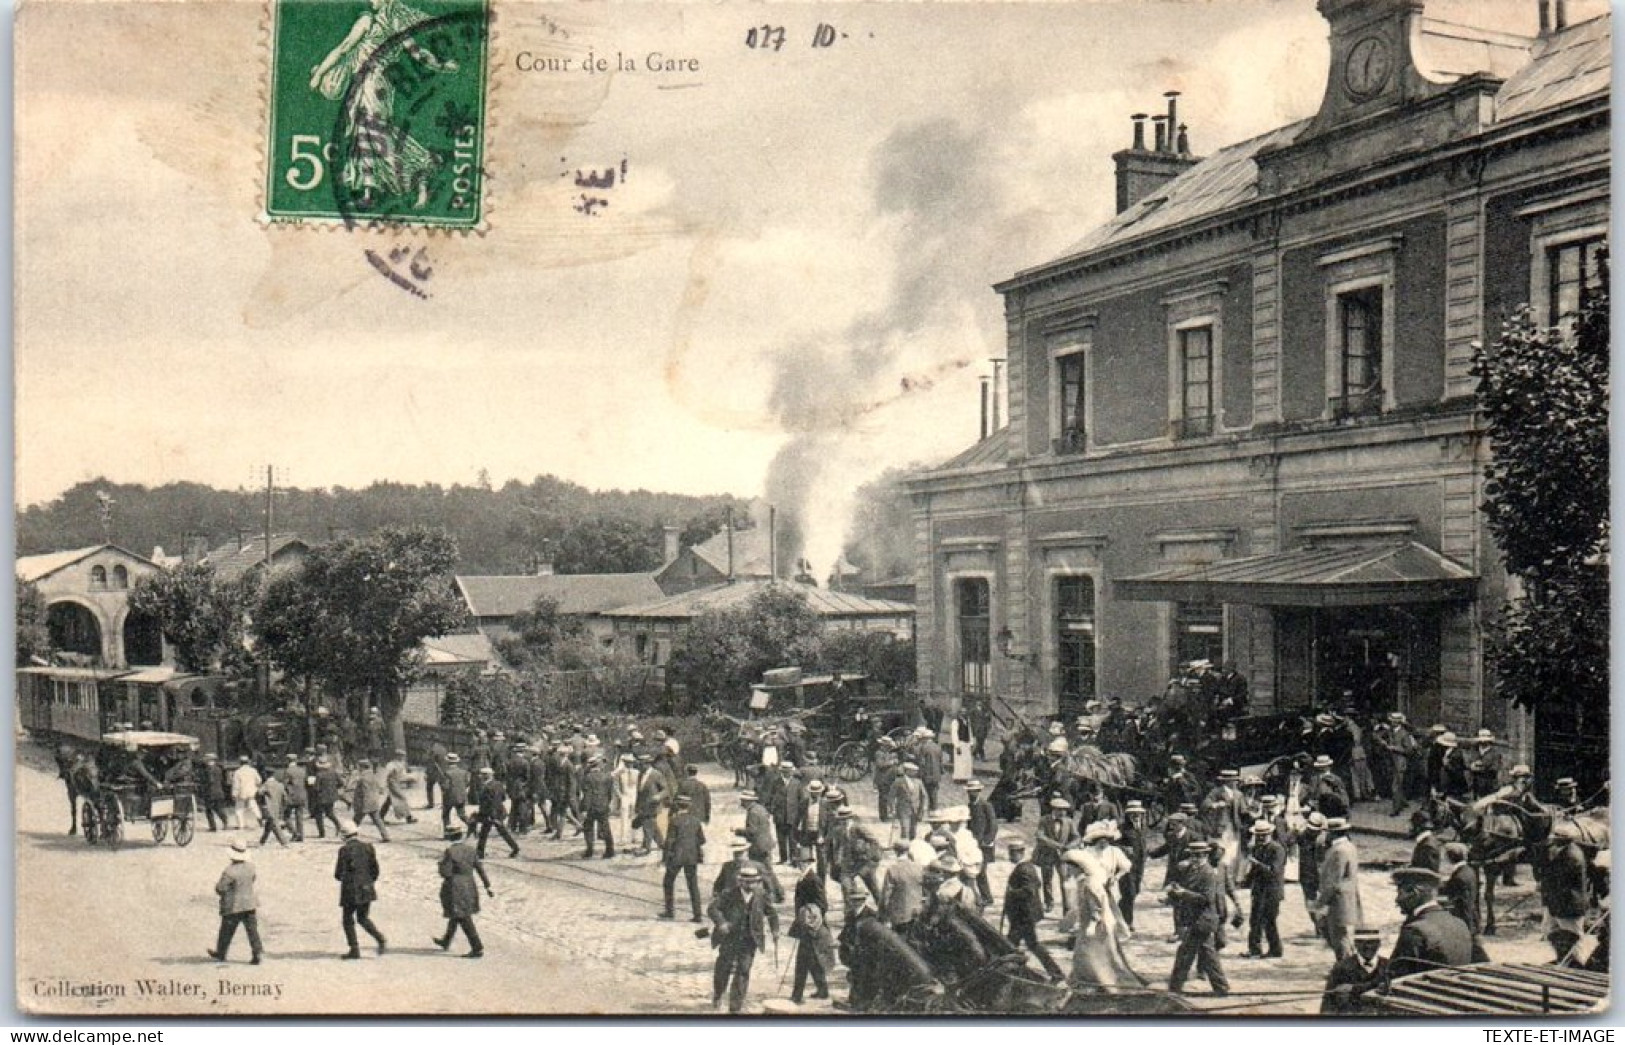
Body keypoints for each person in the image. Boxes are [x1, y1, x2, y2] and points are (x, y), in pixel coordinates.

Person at [1066, 820, 1145, 991]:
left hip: (1103, 893)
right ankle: (1084, 976)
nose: (1104, 842)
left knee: (1096, 943)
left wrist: (1115, 877)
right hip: (1095, 894)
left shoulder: (1113, 853)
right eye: (1100, 839)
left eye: (1107, 839)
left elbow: (1126, 867)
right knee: (1088, 944)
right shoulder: (1087, 855)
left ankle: (1099, 977)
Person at [707, 864, 779, 1014]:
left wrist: (775, 930)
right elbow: (712, 908)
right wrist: (721, 923)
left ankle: (735, 1007)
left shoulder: (762, 896)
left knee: (743, 970)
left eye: (754, 882)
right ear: (740, 882)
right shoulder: (728, 894)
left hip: (750, 939)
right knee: (723, 968)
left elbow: (772, 914)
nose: (750, 885)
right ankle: (718, 994)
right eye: (747, 882)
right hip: (729, 938)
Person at [1166, 839, 1228, 996]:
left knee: (1188, 954)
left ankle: (1175, 987)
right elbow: (1184, 889)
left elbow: (1206, 898)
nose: (1194, 859)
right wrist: (1174, 892)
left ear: (1206, 856)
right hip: (1194, 919)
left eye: (1198, 856)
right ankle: (1220, 987)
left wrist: (1184, 893)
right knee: (1204, 954)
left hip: (1203, 920)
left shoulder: (1208, 873)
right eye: (1193, 856)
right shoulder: (1191, 870)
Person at [1388, 866, 1474, 977]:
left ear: (1414, 893)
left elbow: (1394, 976)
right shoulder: (1460, 924)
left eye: (1399, 893)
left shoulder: (1415, 930)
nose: (1397, 900)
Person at [1002, 841, 1064, 982]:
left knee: (1016, 945)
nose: (1010, 856)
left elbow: (1028, 891)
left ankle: (1055, 973)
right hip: (1023, 915)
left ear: (1020, 853)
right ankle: (1054, 973)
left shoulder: (1024, 869)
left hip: (1023, 915)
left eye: (1012, 853)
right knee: (1019, 944)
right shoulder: (1027, 867)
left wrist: (1012, 893)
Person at [434, 824, 492, 958]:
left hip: (455, 886)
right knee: (458, 914)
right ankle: (446, 940)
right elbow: (480, 868)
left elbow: (445, 873)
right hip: (469, 885)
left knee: (462, 916)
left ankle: (477, 947)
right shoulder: (471, 849)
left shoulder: (449, 851)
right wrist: (487, 885)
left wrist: (440, 864)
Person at [334, 821, 386, 959]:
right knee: (363, 918)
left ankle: (354, 949)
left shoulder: (344, 850)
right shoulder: (368, 847)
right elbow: (375, 869)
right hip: (367, 888)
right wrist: (368, 881)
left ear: (344, 836)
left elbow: (338, 874)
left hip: (350, 889)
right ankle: (380, 939)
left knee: (347, 919)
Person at [1315, 818, 1364, 960]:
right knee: (1342, 937)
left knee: (1340, 938)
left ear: (1332, 833)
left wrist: (1320, 903)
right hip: (1347, 898)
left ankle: (1345, 969)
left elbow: (1334, 881)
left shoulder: (1338, 851)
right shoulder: (1349, 846)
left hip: (1339, 902)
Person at [1541, 821, 1590, 962]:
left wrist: (1545, 875)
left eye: (1554, 840)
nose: (1551, 843)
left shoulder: (1572, 856)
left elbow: (1559, 878)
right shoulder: (1562, 852)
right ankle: (1563, 959)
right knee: (1550, 932)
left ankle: (1578, 966)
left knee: (1574, 939)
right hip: (1557, 904)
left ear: (1562, 840)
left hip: (1570, 906)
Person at [209, 841, 263, 965]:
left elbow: (220, 888)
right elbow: (253, 879)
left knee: (226, 931)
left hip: (233, 906)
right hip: (250, 903)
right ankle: (257, 952)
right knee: (252, 930)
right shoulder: (251, 867)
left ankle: (221, 953)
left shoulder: (229, 871)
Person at [788, 862, 835, 1004]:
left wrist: (811, 918)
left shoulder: (813, 879)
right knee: (812, 959)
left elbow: (823, 904)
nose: (799, 865)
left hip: (813, 926)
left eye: (801, 862)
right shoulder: (803, 878)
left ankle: (797, 996)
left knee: (803, 960)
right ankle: (823, 990)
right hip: (805, 924)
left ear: (808, 863)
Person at [1243, 819, 1285, 958]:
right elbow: (1254, 871)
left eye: (1263, 835)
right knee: (1255, 920)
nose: (1260, 837)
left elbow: (1274, 871)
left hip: (1272, 890)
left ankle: (1275, 949)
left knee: (1269, 920)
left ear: (1270, 833)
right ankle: (1254, 948)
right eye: (1258, 835)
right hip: (1259, 890)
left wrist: (1257, 863)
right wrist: (1246, 880)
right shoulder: (1256, 848)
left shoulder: (1277, 849)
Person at [1320, 928, 1387, 1014]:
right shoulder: (1341, 967)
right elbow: (1328, 1003)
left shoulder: (1388, 966)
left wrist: (1354, 989)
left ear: (1379, 944)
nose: (1367, 946)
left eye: (1371, 942)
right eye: (1362, 942)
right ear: (1355, 944)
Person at [661, 794, 705, 922]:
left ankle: (669, 911)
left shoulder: (674, 821)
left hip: (677, 856)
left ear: (677, 806)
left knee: (668, 882)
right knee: (693, 885)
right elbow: (702, 840)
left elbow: (670, 841)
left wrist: (665, 857)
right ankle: (698, 915)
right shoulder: (696, 821)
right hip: (692, 856)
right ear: (689, 806)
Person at [1035, 797, 1077, 914]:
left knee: (1064, 881)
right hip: (1047, 854)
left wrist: (1070, 845)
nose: (1063, 812)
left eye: (1065, 810)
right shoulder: (1044, 820)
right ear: (1054, 809)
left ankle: (1066, 907)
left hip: (1062, 857)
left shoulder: (1069, 822)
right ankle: (1049, 902)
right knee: (1047, 880)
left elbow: (1076, 837)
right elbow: (1040, 836)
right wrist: (1057, 845)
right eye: (1061, 810)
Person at [472, 766, 520, 859]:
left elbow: (490, 802)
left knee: (485, 833)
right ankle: (515, 848)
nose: (480, 776)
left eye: (481, 775)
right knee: (498, 832)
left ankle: (480, 853)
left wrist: (492, 816)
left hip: (490, 814)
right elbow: (503, 798)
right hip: (498, 812)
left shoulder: (487, 787)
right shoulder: (499, 784)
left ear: (486, 776)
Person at [880, 842, 925, 935]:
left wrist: (882, 914)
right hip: (917, 912)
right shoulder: (918, 867)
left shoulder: (893, 869)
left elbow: (886, 895)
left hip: (900, 915)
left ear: (896, 852)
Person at [1377, 712, 1417, 816]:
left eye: (1393, 720)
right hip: (1392, 762)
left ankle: (1396, 809)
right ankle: (1402, 802)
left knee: (1396, 786)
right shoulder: (1390, 731)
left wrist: (1393, 748)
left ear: (1398, 722)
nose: (1391, 722)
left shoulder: (1404, 734)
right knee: (1397, 784)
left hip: (1400, 762)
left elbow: (1409, 750)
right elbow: (1379, 736)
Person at [1439, 841, 1481, 938]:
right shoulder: (1468, 870)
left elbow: (1454, 897)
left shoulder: (1459, 877)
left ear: (1451, 857)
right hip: (1470, 920)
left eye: (1445, 856)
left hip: (1464, 923)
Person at [965, 779, 997, 906]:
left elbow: (993, 825)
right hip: (973, 844)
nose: (971, 794)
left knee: (981, 871)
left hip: (984, 845)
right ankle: (983, 896)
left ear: (978, 791)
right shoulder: (970, 806)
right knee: (976, 870)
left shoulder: (986, 805)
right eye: (969, 792)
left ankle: (987, 897)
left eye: (973, 791)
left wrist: (987, 840)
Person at [1117, 799, 1148, 928]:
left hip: (1139, 865)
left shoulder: (1143, 825)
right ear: (1128, 815)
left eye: (1138, 813)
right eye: (1133, 814)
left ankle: (1118, 912)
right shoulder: (1121, 828)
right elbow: (1113, 844)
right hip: (1126, 865)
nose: (1136, 816)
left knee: (1135, 891)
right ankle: (1127, 922)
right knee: (1128, 892)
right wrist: (1124, 849)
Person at [578, 753, 616, 859]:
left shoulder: (588, 778)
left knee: (588, 828)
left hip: (591, 807)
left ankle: (589, 850)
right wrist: (607, 803)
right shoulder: (607, 776)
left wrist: (585, 809)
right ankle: (610, 850)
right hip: (603, 806)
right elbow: (610, 793)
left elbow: (587, 795)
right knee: (605, 828)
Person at [350, 759, 391, 842]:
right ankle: (386, 836)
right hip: (374, 802)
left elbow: (363, 792)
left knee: (356, 821)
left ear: (362, 767)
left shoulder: (362, 778)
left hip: (364, 803)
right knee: (378, 820)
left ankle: (350, 835)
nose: (358, 768)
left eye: (359, 767)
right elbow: (380, 789)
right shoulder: (373, 776)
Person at [889, 763, 927, 842]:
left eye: (916, 771)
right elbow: (891, 796)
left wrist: (923, 808)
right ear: (907, 771)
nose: (915, 773)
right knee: (905, 830)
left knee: (913, 831)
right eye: (913, 771)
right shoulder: (899, 781)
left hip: (915, 810)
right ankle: (904, 847)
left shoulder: (918, 782)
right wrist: (892, 809)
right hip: (903, 809)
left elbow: (923, 796)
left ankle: (912, 847)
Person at [311, 756, 345, 839]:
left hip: (321, 797)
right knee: (330, 813)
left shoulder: (319, 775)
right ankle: (338, 825)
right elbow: (341, 783)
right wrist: (333, 788)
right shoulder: (334, 772)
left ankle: (322, 833)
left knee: (318, 815)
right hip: (332, 796)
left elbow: (316, 788)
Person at [382, 749, 417, 825]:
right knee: (402, 798)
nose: (402, 757)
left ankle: (380, 816)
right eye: (401, 756)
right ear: (397, 756)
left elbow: (402, 775)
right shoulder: (391, 764)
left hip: (397, 783)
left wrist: (410, 777)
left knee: (390, 800)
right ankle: (409, 817)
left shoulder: (401, 764)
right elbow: (385, 774)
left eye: (403, 756)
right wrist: (383, 785)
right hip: (392, 783)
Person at [255, 772, 289, 848]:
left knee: (274, 825)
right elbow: (285, 797)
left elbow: (259, 793)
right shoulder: (280, 785)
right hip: (278, 807)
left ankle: (284, 842)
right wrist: (283, 807)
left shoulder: (266, 785)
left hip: (269, 807)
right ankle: (262, 841)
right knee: (269, 825)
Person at [1466, 729, 1503, 799]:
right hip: (1475, 784)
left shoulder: (1495, 753)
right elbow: (1468, 763)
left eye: (1485, 741)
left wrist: (1481, 768)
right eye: (1481, 741)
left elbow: (1495, 769)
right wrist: (1471, 766)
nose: (1482, 742)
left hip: (1489, 785)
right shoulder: (1474, 751)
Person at [279, 754, 308, 842]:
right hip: (302, 795)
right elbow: (306, 782)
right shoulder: (302, 770)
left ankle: (295, 833)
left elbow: (284, 785)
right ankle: (301, 835)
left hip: (291, 796)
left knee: (286, 816)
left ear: (288, 761)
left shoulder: (287, 771)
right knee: (299, 817)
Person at [440, 752, 472, 831]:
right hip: (461, 796)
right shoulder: (463, 772)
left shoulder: (447, 773)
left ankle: (447, 832)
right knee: (462, 814)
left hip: (449, 797)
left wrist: (442, 785)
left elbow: (445, 786)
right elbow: (467, 783)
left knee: (445, 814)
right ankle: (471, 826)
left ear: (447, 762)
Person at [230, 755, 262, 831]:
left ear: (240, 762)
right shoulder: (253, 770)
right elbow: (259, 780)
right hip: (251, 792)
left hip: (241, 793)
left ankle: (241, 825)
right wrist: (255, 787)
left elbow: (236, 785)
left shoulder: (237, 772)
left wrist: (234, 794)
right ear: (248, 762)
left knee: (239, 809)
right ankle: (259, 819)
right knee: (254, 807)